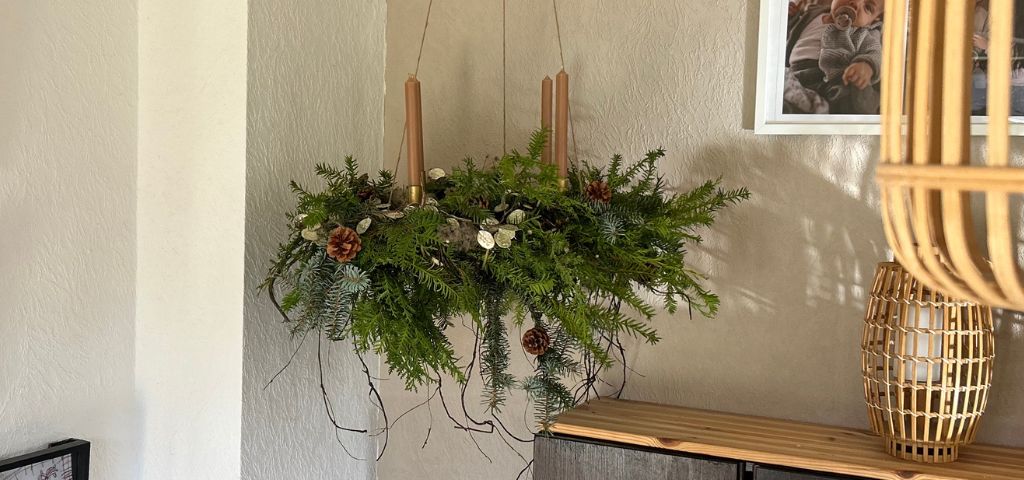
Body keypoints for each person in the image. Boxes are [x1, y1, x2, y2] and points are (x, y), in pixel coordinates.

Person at [785, 0, 884, 114]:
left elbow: (874, 52)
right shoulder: (812, 12)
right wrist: (791, 17)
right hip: (795, 74)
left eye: (868, 7)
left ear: (873, 20)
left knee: (850, 98)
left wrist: (866, 65)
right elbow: (792, 34)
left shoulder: (864, 33)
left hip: (830, 80)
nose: (855, 4)